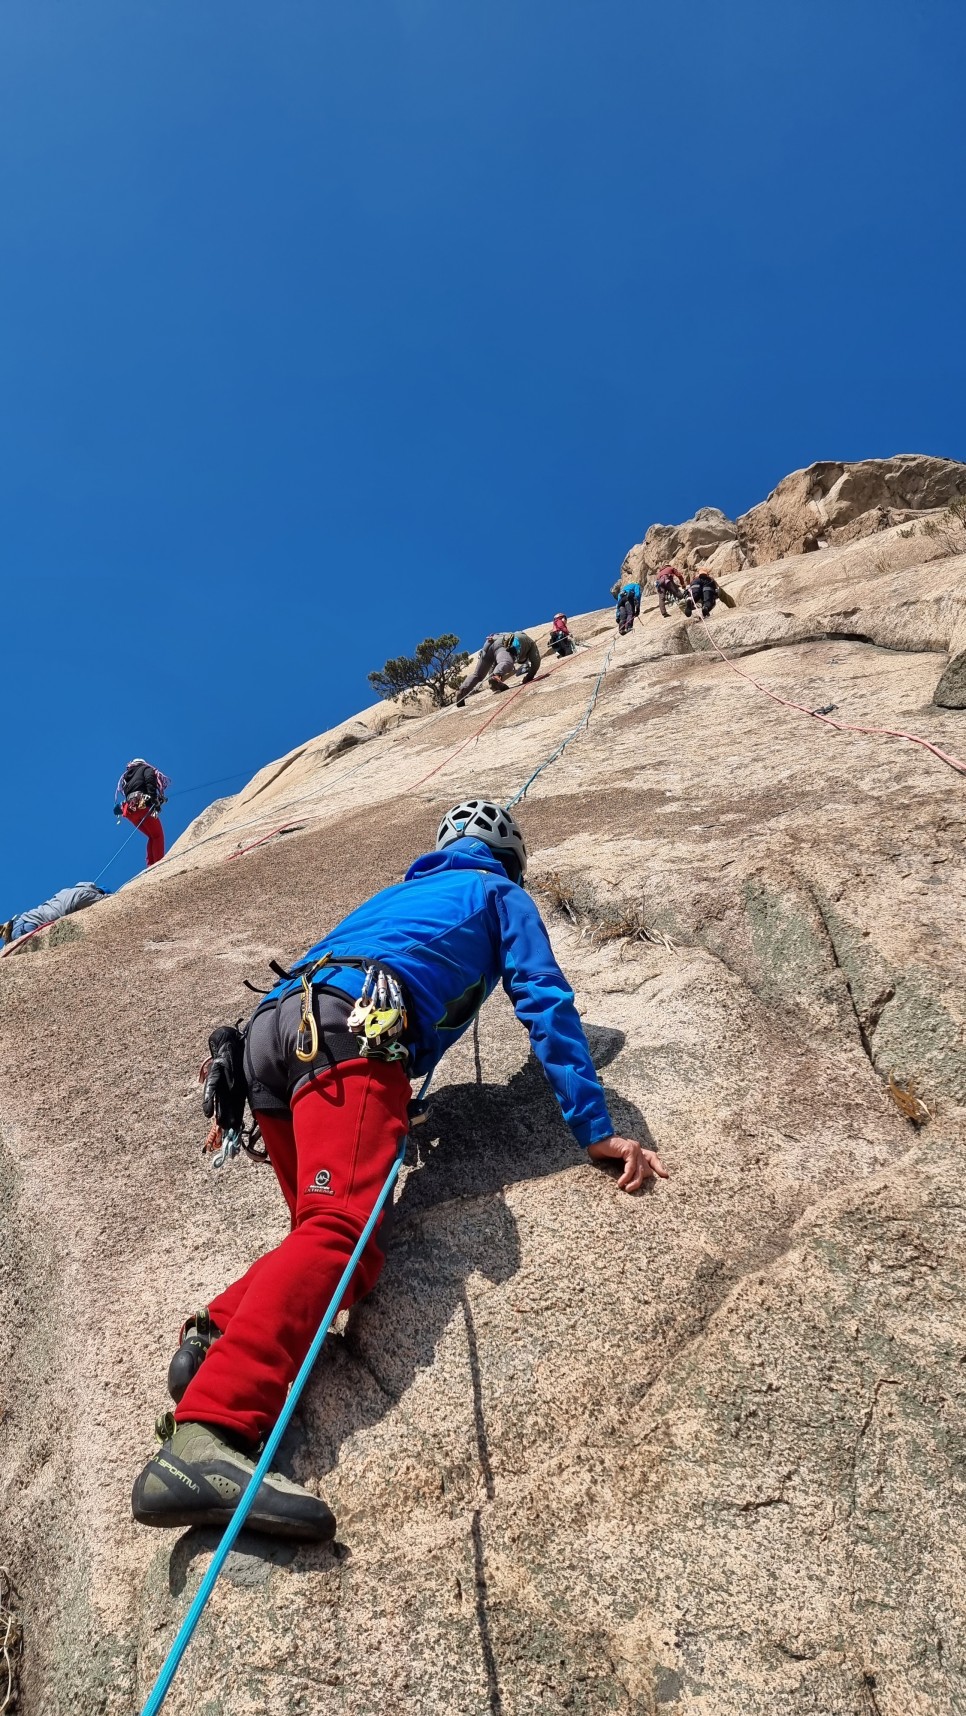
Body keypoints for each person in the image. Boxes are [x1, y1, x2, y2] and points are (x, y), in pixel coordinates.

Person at [131, 799, 668, 1541]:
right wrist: (595, 1129)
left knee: (336, 1252)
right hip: (354, 1028)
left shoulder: (396, 895)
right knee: (342, 1233)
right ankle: (209, 1434)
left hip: (272, 1037)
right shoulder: (499, 894)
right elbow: (543, 998)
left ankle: (216, 1333)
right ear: (509, 861)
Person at [1, 882, 108, 947]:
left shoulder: (66, 891)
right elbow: (103, 900)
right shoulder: (84, 894)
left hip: (23, 922)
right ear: (97, 892)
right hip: (30, 927)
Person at [455, 633, 541, 706]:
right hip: (501, 645)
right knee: (507, 662)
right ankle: (497, 676)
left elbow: (495, 665)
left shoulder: (513, 634)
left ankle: (462, 691)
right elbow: (536, 661)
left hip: (488, 644)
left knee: (478, 675)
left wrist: (493, 684)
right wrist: (529, 677)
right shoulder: (531, 644)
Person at [114, 759, 170, 866]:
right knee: (158, 836)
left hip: (130, 811)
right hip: (142, 806)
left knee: (152, 836)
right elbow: (150, 782)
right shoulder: (146, 769)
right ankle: (157, 865)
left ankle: (151, 866)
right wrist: (154, 800)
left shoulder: (126, 777)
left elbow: (135, 788)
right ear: (143, 763)